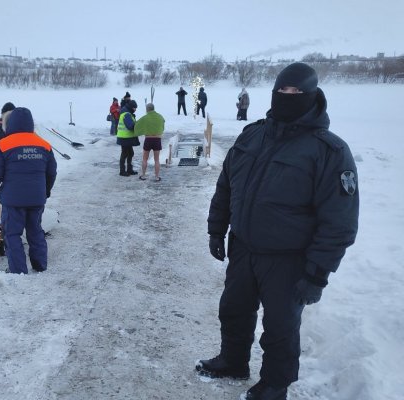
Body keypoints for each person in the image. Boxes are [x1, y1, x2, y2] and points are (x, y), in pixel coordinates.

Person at [196, 62, 359, 400]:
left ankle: (275, 383)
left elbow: (339, 220)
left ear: (312, 96)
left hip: (289, 257)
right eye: (282, 91)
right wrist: (217, 230)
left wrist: (317, 273)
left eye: (296, 93)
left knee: (281, 327)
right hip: (243, 246)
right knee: (234, 310)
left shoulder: (329, 150)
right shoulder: (252, 134)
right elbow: (226, 186)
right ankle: (233, 360)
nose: (287, 97)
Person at [0, 107, 57, 274]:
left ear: (10, 124)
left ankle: (18, 270)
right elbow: (51, 172)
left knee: (12, 234)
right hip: (36, 199)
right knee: (36, 232)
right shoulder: (44, 145)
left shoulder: (2, 145)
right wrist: (45, 191)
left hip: (13, 200)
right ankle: (40, 265)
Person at [134, 103, 165, 181]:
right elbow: (163, 125)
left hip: (148, 139)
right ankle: (157, 177)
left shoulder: (145, 118)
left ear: (147, 109)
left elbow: (137, 125)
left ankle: (143, 175)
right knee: (157, 160)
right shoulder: (160, 116)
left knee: (145, 159)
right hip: (157, 140)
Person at [116, 99, 140, 176]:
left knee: (130, 153)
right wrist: (138, 125)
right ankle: (122, 171)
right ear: (131, 107)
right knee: (125, 154)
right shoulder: (126, 114)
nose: (135, 110)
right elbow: (130, 126)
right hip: (124, 138)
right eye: (134, 108)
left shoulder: (127, 113)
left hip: (126, 137)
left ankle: (129, 169)